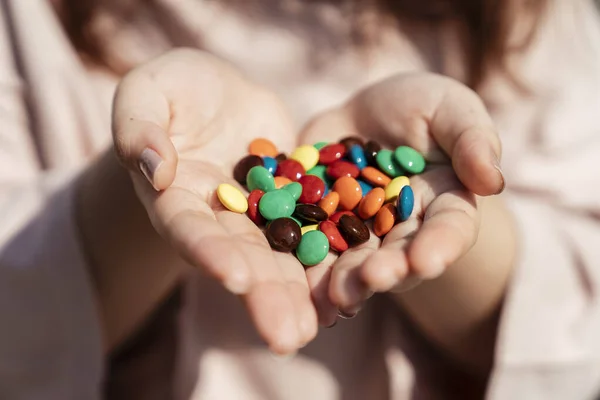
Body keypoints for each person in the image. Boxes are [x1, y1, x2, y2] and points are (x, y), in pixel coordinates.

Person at [0, 0, 599, 399]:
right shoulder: (30, 17)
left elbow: (579, 329)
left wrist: (446, 214)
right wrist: (145, 183)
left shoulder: (532, 18)